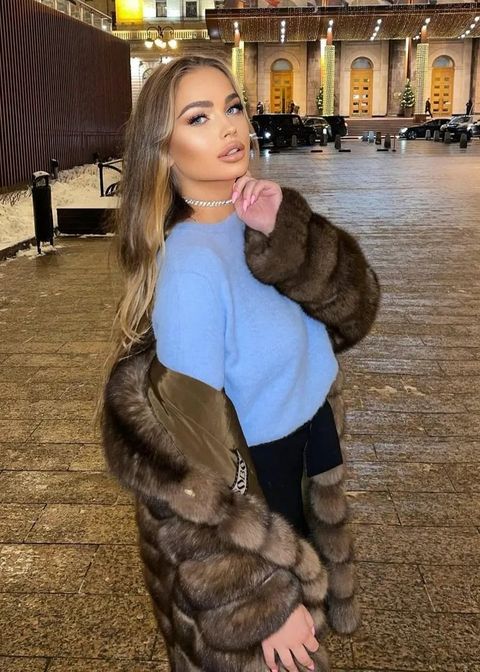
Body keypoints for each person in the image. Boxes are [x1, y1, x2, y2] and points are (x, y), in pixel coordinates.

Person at [99, 54, 380, 672]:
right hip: (253, 496)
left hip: (305, 457)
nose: (230, 126)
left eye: (232, 106)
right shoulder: (193, 268)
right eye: (198, 118)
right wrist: (262, 602)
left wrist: (287, 234)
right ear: (164, 152)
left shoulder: (260, 220)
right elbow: (191, 466)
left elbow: (355, 315)